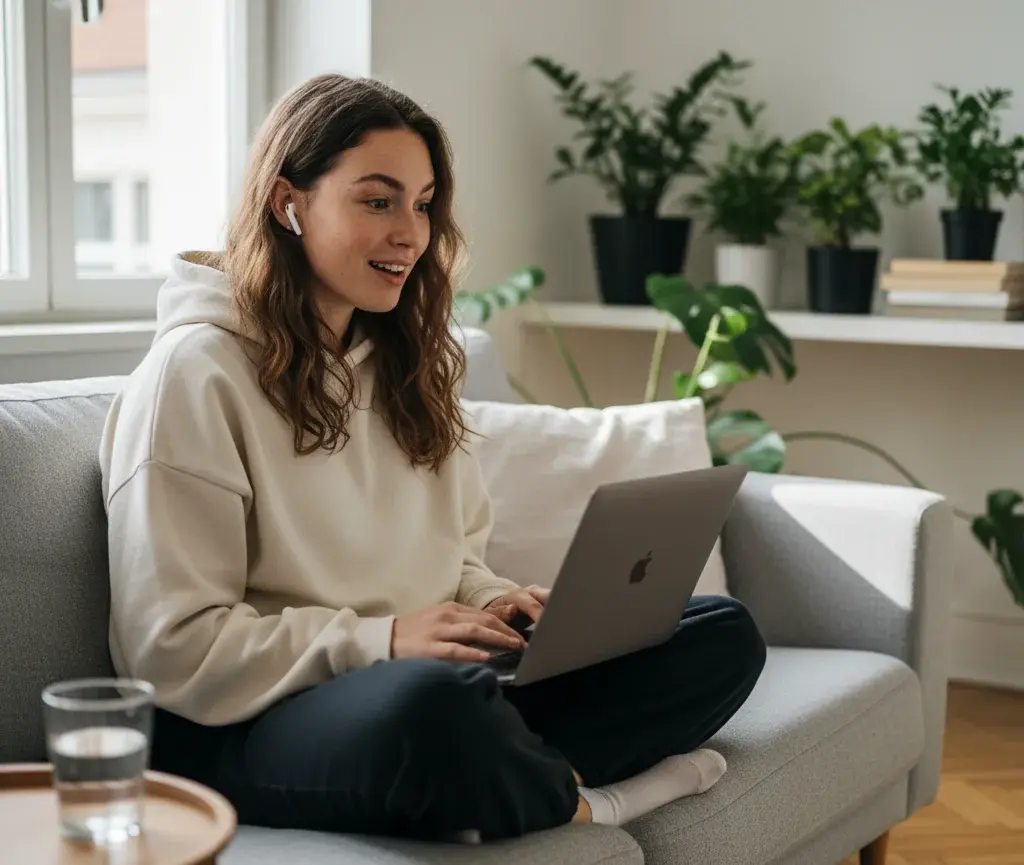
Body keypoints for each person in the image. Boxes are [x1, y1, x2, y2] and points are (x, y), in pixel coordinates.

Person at [98, 73, 766, 844]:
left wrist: (494, 602)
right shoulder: (195, 375)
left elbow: (455, 557)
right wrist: (381, 641)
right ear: (289, 203)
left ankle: (506, 771)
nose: (410, 234)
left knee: (719, 632)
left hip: (432, 680)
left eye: (421, 205)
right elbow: (172, 646)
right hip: (244, 720)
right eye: (377, 201)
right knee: (431, 714)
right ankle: (586, 799)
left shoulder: (409, 363)